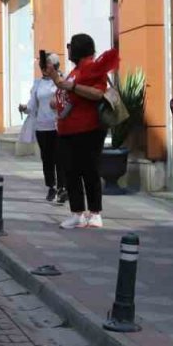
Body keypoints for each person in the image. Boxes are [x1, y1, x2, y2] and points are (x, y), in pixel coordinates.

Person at [47, 34, 118, 230]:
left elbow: (97, 93)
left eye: (70, 45)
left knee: (89, 170)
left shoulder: (91, 67)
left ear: (78, 48)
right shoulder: (75, 70)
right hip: (68, 130)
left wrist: (71, 86)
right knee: (71, 172)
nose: (67, 49)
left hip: (88, 129)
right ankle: (77, 213)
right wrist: (57, 89)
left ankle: (94, 213)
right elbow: (66, 93)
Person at [19, 52, 68, 204]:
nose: (44, 68)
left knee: (59, 157)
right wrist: (24, 108)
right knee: (46, 159)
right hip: (41, 127)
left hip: (57, 126)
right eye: (43, 66)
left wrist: (59, 104)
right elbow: (32, 105)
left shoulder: (61, 81)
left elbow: (67, 100)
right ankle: (51, 187)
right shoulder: (38, 83)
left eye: (47, 65)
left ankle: (62, 188)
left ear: (54, 66)